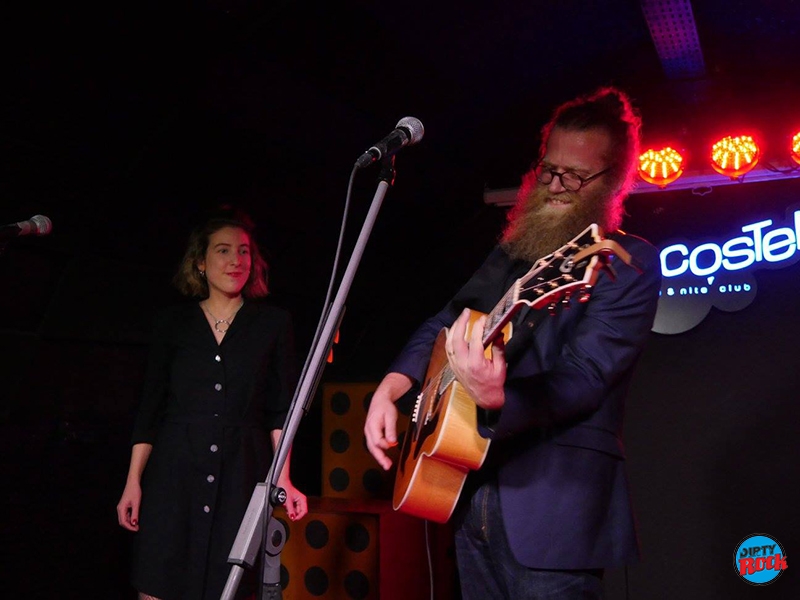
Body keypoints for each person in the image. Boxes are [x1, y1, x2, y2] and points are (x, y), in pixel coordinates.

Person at [364, 87, 662, 599]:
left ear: (611, 181)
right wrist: (391, 387)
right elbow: (447, 319)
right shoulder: (515, 251)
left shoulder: (624, 265)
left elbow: (584, 381)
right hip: (470, 497)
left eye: (575, 175)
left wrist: (496, 397)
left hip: (555, 515)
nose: (556, 185)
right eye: (549, 168)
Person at [116, 205, 308, 600]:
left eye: (243, 251)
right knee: (159, 580)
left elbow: (280, 411)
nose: (235, 260)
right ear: (200, 262)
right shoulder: (172, 324)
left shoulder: (273, 323)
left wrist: (283, 477)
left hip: (242, 472)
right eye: (223, 250)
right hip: (174, 472)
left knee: (230, 584)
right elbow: (150, 409)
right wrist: (133, 481)